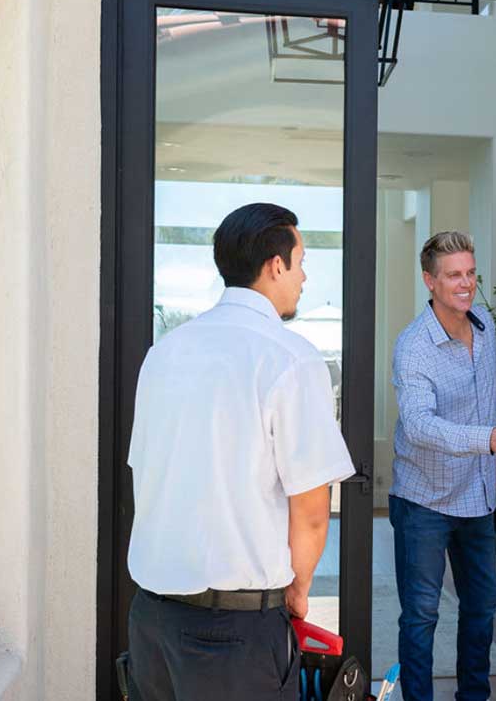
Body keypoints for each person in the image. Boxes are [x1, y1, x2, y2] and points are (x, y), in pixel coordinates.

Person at [125, 203, 354, 701]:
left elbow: (147, 473)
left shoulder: (164, 353)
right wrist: (297, 592)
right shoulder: (290, 358)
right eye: (301, 262)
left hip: (151, 622)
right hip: (234, 635)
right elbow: (312, 511)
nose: (304, 278)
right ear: (275, 265)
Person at [389, 231, 496, 701]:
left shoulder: (484, 325)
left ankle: (474, 696)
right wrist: (488, 441)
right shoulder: (413, 346)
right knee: (421, 615)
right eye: (454, 275)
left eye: (471, 273)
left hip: (478, 494)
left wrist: (494, 451)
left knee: (481, 606)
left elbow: (487, 397)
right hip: (424, 500)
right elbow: (419, 426)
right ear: (429, 280)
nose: (466, 283)